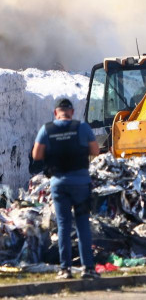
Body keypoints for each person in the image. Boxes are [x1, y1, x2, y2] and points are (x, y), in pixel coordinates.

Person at [32, 97, 100, 280]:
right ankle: (88, 269)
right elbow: (96, 151)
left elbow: (36, 154)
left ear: (56, 113)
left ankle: (65, 269)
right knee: (83, 225)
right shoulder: (82, 127)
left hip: (59, 185)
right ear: (71, 112)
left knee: (63, 225)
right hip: (81, 184)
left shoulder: (47, 129)